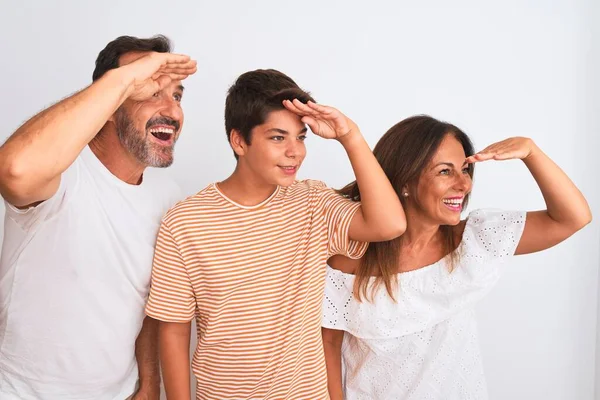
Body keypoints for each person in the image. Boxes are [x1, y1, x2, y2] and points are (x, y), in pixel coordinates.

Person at [144, 69, 406, 399]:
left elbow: (390, 225)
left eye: (301, 137)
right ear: (239, 140)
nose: (295, 151)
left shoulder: (312, 202)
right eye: (278, 137)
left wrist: (349, 135)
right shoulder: (185, 222)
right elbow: (174, 328)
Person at [321, 115, 592, 400]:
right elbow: (328, 344)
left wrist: (531, 152)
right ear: (406, 183)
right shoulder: (350, 258)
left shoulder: (475, 241)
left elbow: (573, 218)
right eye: (445, 172)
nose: (464, 185)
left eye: (465, 170)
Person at [0, 35, 196, 399]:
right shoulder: (59, 173)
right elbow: (12, 170)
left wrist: (149, 383)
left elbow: (151, 301)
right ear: (108, 100)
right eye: (151, 90)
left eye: (177, 95)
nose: (172, 109)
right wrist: (121, 81)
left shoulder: (168, 198)